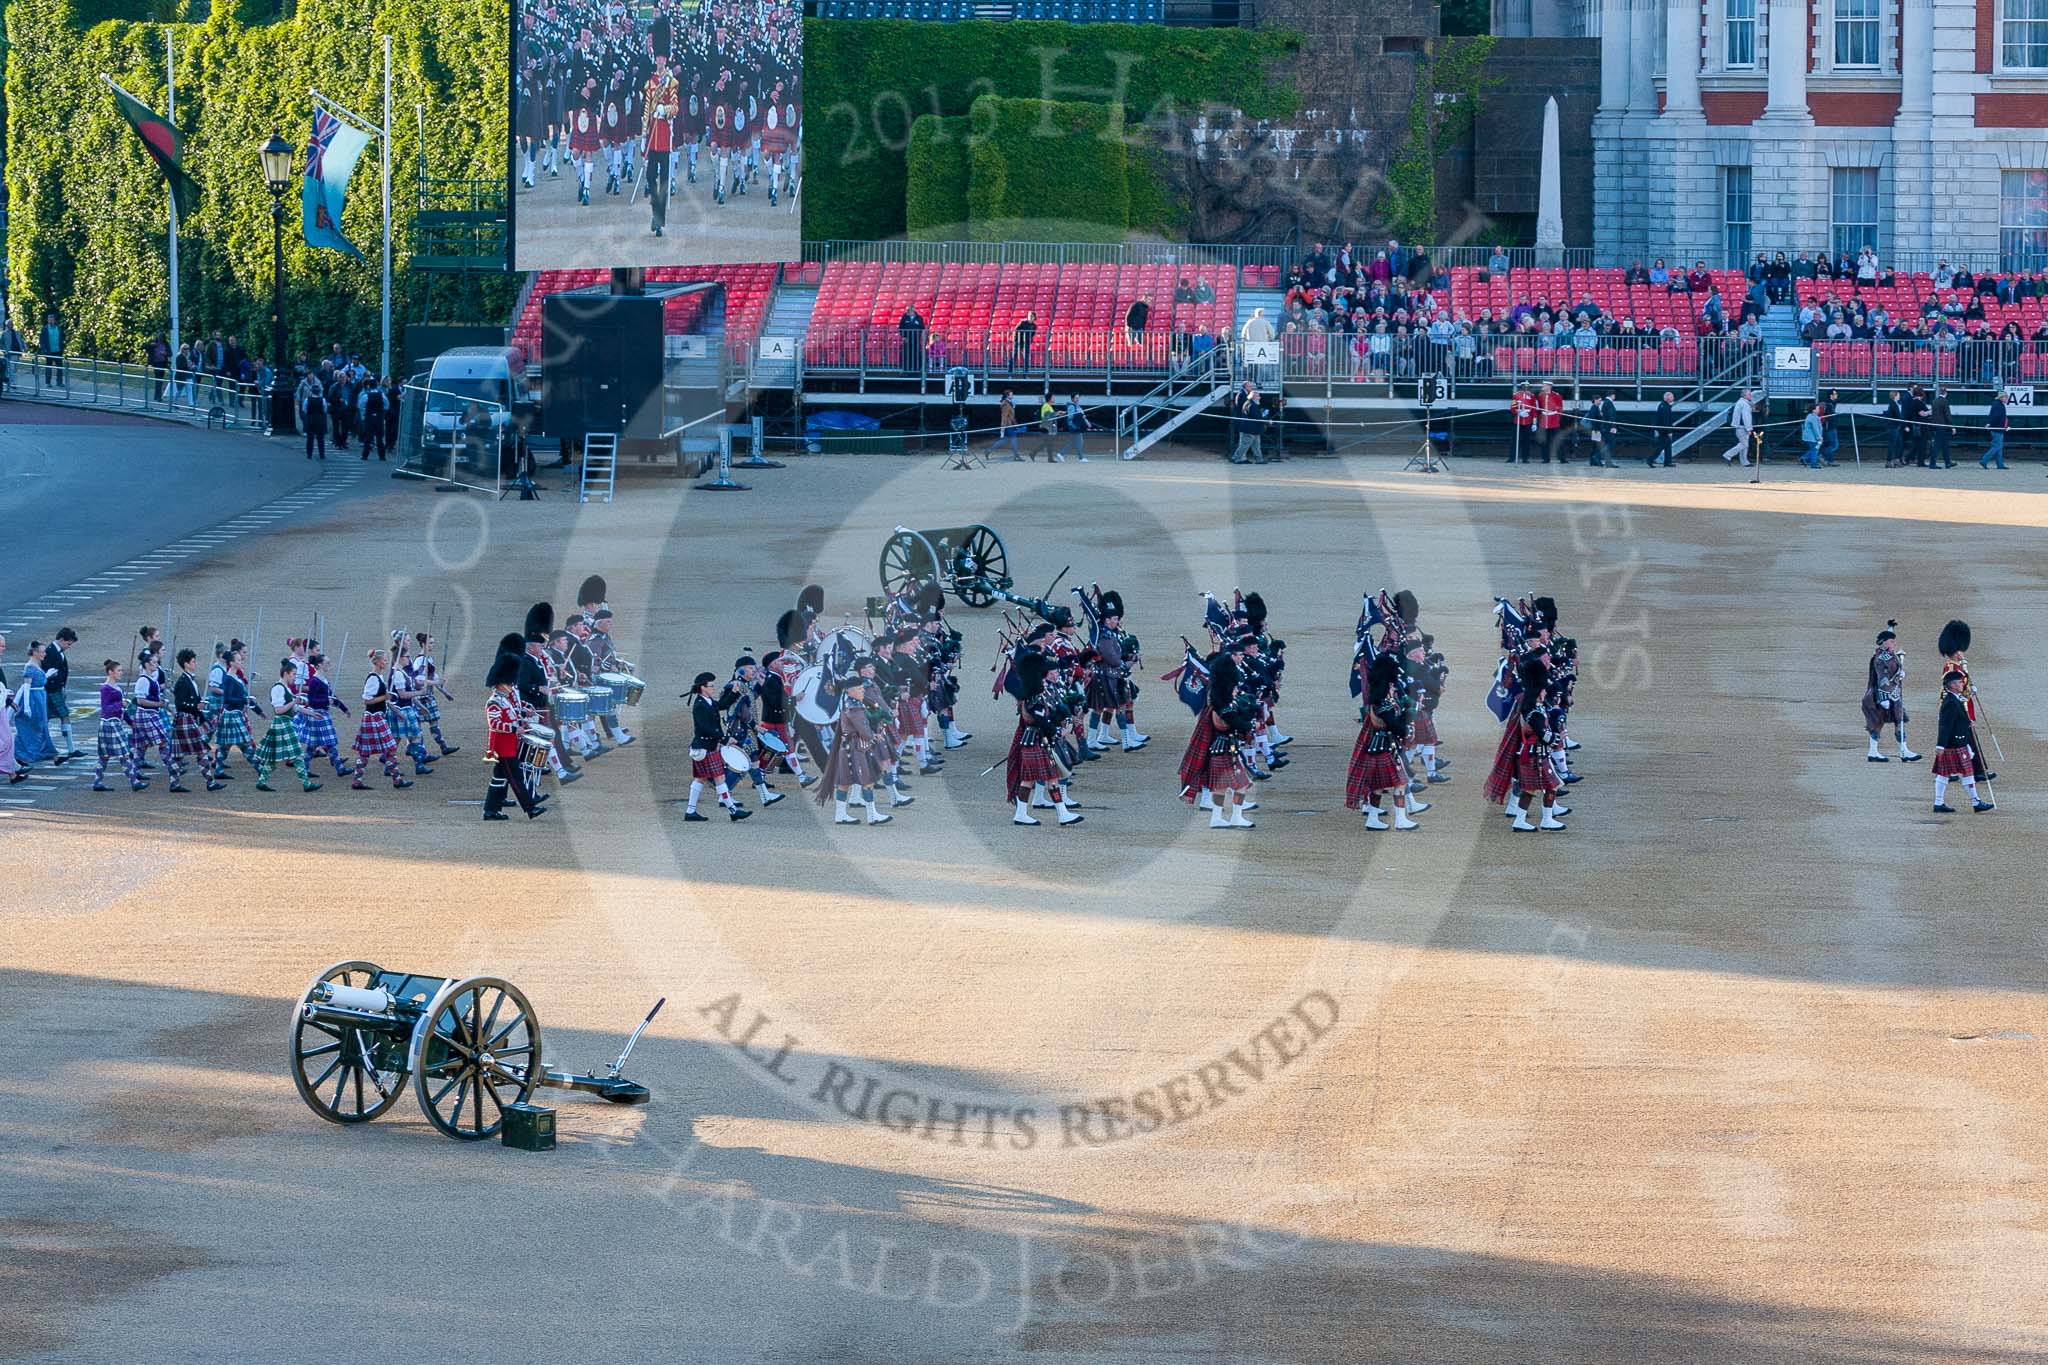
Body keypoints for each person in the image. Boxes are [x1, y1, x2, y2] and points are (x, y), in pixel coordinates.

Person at [1346, 653, 1419, 831]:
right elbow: (1392, 724)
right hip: (1385, 747)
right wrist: (1406, 730)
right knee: (1400, 782)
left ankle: (1372, 818)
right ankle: (1400, 819)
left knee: (1378, 786)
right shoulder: (1384, 702)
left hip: (1379, 747)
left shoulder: (1380, 698)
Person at [682, 670, 750, 822]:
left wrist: (733, 692)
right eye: (711, 686)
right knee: (718, 778)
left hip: (707, 747)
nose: (713, 688)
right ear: (703, 688)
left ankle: (691, 811)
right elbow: (706, 728)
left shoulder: (709, 702)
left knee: (702, 779)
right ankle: (732, 810)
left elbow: (723, 704)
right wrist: (726, 739)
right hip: (704, 747)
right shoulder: (699, 705)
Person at [483, 653, 545, 820]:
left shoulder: (505, 699)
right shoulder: (494, 702)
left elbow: (514, 713)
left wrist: (522, 718)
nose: (510, 685)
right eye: (507, 683)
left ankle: (490, 811)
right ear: (499, 684)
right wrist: (514, 728)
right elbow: (494, 724)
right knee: (516, 779)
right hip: (503, 747)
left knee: (499, 778)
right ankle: (530, 808)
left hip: (509, 744)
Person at [251, 659, 322, 793]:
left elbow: (294, 707)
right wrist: (294, 701)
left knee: (273, 757)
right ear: (286, 674)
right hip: (282, 723)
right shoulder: (278, 688)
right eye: (294, 674)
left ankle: (261, 782)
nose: (295, 678)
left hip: (284, 723)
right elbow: (278, 710)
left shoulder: (284, 688)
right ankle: (306, 784)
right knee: (296, 754)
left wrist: (311, 713)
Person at [351, 648, 416, 790]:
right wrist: (384, 697)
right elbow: (367, 700)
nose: (387, 662)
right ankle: (396, 779)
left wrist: (396, 711)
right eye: (385, 660)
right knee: (389, 748)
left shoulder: (377, 678)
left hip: (375, 717)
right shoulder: (374, 679)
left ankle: (358, 780)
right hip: (374, 718)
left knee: (368, 751)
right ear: (378, 662)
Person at [1933, 668, 1994, 813]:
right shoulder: (1951, 702)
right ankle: (1975, 802)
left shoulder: (1955, 700)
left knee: (1945, 774)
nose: (1962, 685)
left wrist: (1967, 723)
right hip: (1954, 743)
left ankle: (1940, 802)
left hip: (1957, 742)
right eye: (1960, 682)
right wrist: (1940, 745)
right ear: (1952, 685)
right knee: (1965, 773)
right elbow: (1945, 725)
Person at [1859, 620, 1918, 762]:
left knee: (1898, 720)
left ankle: (1902, 750)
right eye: (1891, 641)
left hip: (1893, 694)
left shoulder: (1890, 655)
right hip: (1883, 695)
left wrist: (1900, 674)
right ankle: (1874, 751)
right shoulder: (1881, 658)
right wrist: (1884, 698)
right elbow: (1882, 678)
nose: (1893, 644)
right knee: (1879, 722)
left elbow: (1892, 673)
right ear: (1884, 643)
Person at [167, 648, 224, 792]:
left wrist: (202, 718)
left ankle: (175, 784)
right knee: (199, 751)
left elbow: (195, 704)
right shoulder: (182, 682)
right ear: (186, 664)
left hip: (189, 719)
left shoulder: (191, 680)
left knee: (179, 754)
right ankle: (209, 783)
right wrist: (196, 706)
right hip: (184, 720)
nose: (195, 663)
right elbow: (180, 704)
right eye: (193, 661)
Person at [43, 627, 77, 760]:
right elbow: (46, 672)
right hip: (51, 690)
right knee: (57, 717)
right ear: (61, 639)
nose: (68, 647)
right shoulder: (50, 651)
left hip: (56, 690)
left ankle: (70, 749)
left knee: (51, 718)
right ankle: (69, 749)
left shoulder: (57, 651)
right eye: (68, 644)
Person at [1230, 381, 1268, 465]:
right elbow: (1256, 417)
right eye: (1258, 396)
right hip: (1249, 429)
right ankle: (1237, 458)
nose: (1260, 397)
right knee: (1245, 445)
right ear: (1253, 397)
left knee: (1256, 446)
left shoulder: (1249, 404)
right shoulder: (1251, 405)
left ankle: (1259, 460)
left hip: (1253, 429)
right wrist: (1265, 419)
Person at [298, 372, 329, 460]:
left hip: (310, 419)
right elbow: (325, 409)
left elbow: (304, 409)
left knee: (310, 438)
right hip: (320, 419)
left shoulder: (308, 399)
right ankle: (322, 454)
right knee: (320, 438)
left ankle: (309, 454)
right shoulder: (322, 400)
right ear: (319, 391)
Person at [988, 389, 1023, 461]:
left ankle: (988, 451)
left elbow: (1011, 416)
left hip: (1009, 425)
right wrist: (1002, 429)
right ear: (1007, 396)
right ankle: (1016, 455)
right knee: (1014, 439)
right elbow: (1004, 416)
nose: (1012, 395)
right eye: (1011, 394)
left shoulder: (1009, 403)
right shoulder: (1006, 404)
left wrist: (1016, 424)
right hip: (1008, 425)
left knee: (1004, 440)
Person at [1722, 390, 1754, 466]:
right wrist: (1749, 429)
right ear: (1745, 396)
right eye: (1749, 394)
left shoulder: (1740, 403)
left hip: (1740, 427)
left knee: (1744, 444)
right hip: (1742, 427)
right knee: (1744, 444)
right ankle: (1728, 455)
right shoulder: (1744, 404)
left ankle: (1745, 462)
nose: (1750, 396)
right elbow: (1746, 418)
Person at [36, 309, 64, 388]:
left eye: (52, 320)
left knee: (60, 367)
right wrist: (44, 349)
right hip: (49, 351)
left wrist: (62, 347)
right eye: (49, 320)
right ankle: (48, 382)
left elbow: (61, 338)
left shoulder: (58, 328)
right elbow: (42, 340)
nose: (50, 321)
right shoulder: (45, 329)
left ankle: (59, 382)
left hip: (58, 350)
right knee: (48, 367)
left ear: (54, 320)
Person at [1062, 395, 1095, 463]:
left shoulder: (1079, 407)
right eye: (1076, 398)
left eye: (1078, 398)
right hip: (1073, 427)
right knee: (1075, 442)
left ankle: (1080, 458)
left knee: (1078, 442)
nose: (1077, 399)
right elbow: (1070, 417)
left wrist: (1087, 423)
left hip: (1077, 426)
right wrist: (1079, 417)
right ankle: (1061, 454)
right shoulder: (1071, 406)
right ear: (1072, 399)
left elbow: (1083, 417)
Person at [1510, 382, 1536, 463]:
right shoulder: (1515, 395)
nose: (1526, 388)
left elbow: (1534, 410)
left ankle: (1525, 458)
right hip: (1518, 420)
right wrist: (1518, 412)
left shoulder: (1532, 396)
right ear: (1521, 387)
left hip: (1528, 420)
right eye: (1524, 386)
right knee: (1515, 440)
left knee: (1526, 441)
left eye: (1527, 386)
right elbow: (1513, 408)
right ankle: (1512, 457)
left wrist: (1534, 423)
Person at [1928, 388, 1955, 468]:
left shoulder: (1934, 401)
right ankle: (1932, 463)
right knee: (1938, 445)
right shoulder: (1945, 401)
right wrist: (1952, 427)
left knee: (1944, 445)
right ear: (1945, 393)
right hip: (1942, 426)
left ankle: (1948, 462)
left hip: (1935, 425)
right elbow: (1947, 415)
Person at [1537, 382, 1564, 461]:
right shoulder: (1540, 395)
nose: (1543, 386)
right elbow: (1540, 407)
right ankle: (1546, 458)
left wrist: (1556, 416)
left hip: (1553, 420)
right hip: (1544, 420)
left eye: (1544, 385)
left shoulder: (1557, 395)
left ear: (1549, 386)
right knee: (1544, 440)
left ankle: (1562, 458)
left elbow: (1560, 408)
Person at [1983, 390, 2009, 469]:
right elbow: (1996, 417)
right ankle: (1984, 460)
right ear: (2002, 397)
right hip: (1997, 428)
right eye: (2006, 397)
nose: (2007, 399)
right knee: (1997, 446)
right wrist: (1990, 424)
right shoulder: (1999, 405)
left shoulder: (1997, 404)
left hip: (1997, 428)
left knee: (1998, 447)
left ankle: (2000, 464)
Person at [1651, 391, 1677, 466]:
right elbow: (1665, 421)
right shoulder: (1665, 406)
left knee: (1668, 447)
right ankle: (1650, 459)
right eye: (1672, 397)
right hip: (1664, 430)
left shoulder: (1664, 405)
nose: (1673, 398)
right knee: (1660, 447)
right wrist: (1669, 431)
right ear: (1667, 398)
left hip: (1664, 429)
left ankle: (1668, 461)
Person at [898, 305, 925, 377]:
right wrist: (903, 336)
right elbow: (901, 327)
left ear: (913, 311)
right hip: (907, 339)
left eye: (910, 310)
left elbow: (922, 328)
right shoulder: (904, 317)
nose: (908, 312)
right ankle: (906, 370)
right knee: (906, 354)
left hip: (916, 339)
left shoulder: (919, 318)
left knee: (916, 354)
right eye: (907, 311)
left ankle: (916, 370)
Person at [1800, 404, 1825, 468]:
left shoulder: (1810, 416)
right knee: (1815, 450)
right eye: (1818, 408)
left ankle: (1804, 458)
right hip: (1812, 438)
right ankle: (1813, 464)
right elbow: (1816, 429)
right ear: (1813, 410)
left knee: (1813, 449)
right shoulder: (1814, 417)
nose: (1819, 410)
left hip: (1809, 437)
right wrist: (1819, 437)